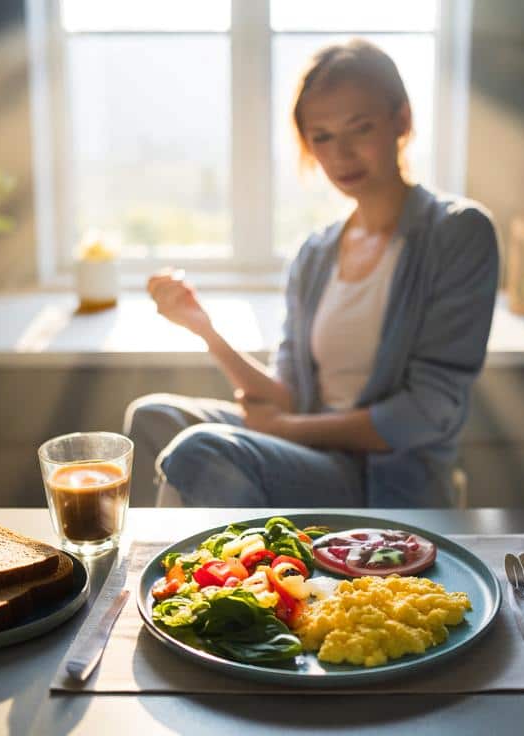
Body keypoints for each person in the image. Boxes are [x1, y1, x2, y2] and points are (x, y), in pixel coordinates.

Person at [124, 39, 498, 508]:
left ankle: (174, 577)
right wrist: (204, 330)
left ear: (400, 120)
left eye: (359, 129)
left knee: (201, 451)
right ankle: (190, 570)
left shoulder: (458, 232)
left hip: (383, 478)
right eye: (321, 136)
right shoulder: (316, 253)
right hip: (308, 446)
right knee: (153, 417)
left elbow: (428, 411)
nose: (340, 154)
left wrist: (287, 430)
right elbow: (289, 396)